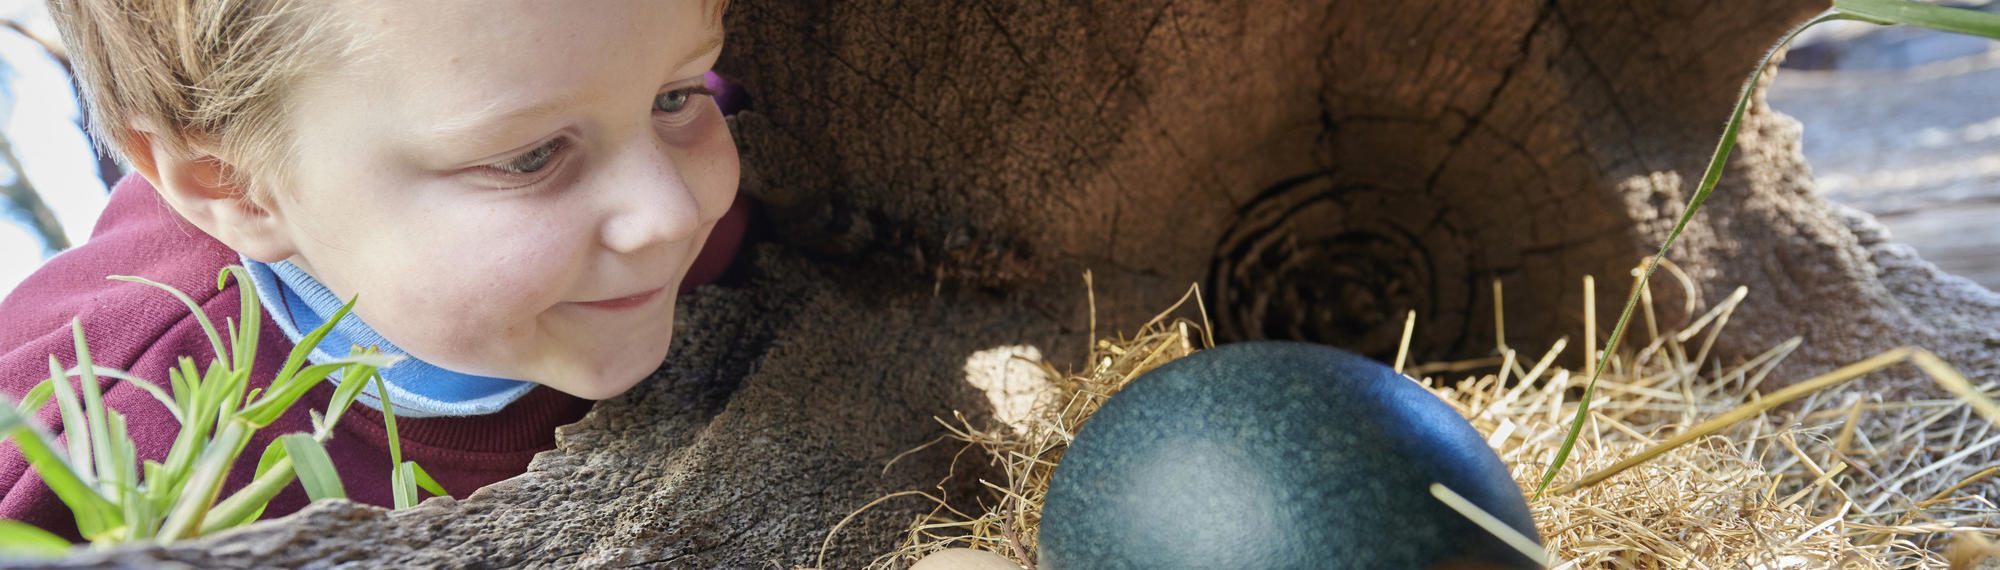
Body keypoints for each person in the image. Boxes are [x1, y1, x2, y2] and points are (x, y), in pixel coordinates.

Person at [0, 0, 749, 540]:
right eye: (529, 157)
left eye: (675, 97)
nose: (670, 213)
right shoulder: (85, 432)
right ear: (235, 187)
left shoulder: (619, 79)